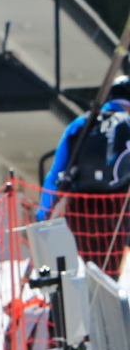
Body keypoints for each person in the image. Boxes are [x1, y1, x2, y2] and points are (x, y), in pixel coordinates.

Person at [40, 76, 130, 270]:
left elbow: (56, 172)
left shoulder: (81, 123)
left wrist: (42, 214)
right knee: (110, 274)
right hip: (118, 208)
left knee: (92, 269)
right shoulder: (127, 123)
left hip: (81, 210)